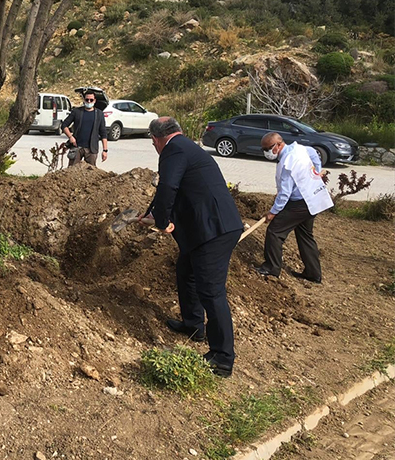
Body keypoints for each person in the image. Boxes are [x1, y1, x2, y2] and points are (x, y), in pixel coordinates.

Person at [139, 117, 243, 377]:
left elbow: (168, 186)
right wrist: (152, 213)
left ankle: (222, 357)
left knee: (211, 291)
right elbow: (177, 189)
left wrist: (163, 221)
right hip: (208, 226)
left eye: (153, 143)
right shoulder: (186, 147)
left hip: (214, 230)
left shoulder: (173, 150)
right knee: (186, 271)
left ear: (156, 139)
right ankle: (193, 324)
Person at [255, 132, 333, 283]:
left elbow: (284, 194)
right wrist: (316, 173)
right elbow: (315, 156)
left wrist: (273, 212)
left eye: (267, 149)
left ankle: (271, 268)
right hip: (313, 198)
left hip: (301, 203)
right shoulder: (301, 149)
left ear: (278, 145)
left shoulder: (287, 162)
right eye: (263, 149)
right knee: (305, 235)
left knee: (275, 231)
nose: (266, 152)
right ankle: (313, 274)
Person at [61, 89, 108, 167]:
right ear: (84, 100)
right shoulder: (77, 112)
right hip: (77, 147)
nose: (89, 101)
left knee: (91, 172)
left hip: (91, 148)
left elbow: (103, 133)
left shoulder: (99, 114)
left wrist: (105, 150)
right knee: (72, 170)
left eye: (91, 100)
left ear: (95, 100)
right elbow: (64, 125)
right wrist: (70, 137)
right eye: (87, 99)